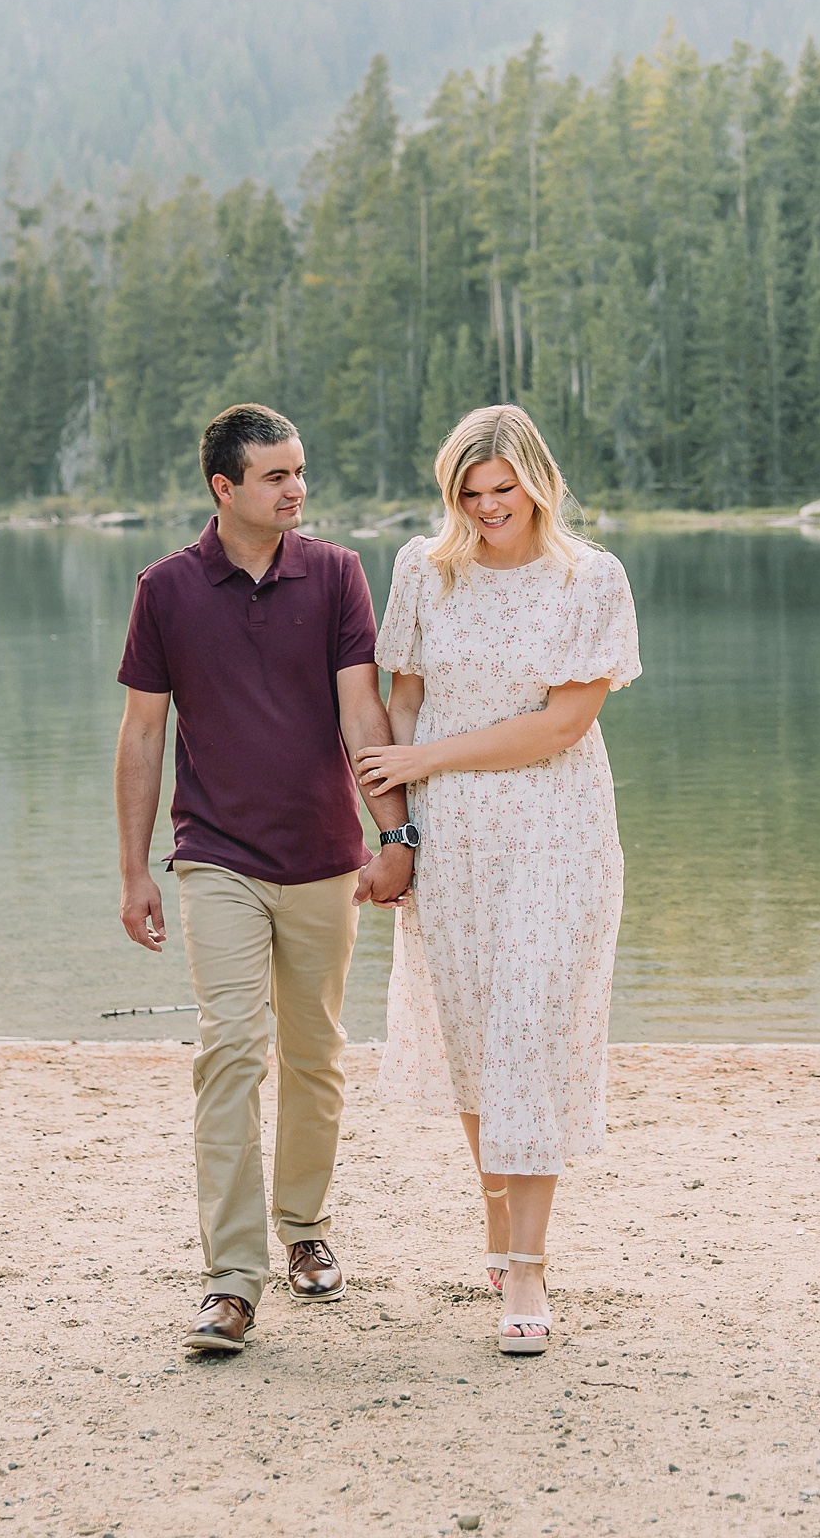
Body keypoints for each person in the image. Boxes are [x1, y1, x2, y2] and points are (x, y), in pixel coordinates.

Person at [115, 402, 418, 1355]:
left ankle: (305, 1228)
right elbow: (142, 735)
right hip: (217, 856)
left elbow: (361, 715)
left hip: (327, 856)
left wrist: (396, 834)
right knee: (232, 1047)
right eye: (277, 475)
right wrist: (135, 871)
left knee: (316, 1053)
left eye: (300, 472)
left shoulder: (334, 575)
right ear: (224, 487)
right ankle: (232, 1278)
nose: (297, 488)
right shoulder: (165, 589)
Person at [356, 404, 640, 1356]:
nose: (487, 509)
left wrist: (425, 763)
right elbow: (404, 698)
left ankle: (528, 1267)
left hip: (556, 829)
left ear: (539, 482)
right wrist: (397, 827)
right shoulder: (422, 570)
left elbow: (560, 725)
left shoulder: (590, 579)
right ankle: (495, 1218)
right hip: (454, 837)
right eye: (469, 494)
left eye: (503, 491)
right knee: (474, 1036)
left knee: (529, 1028)